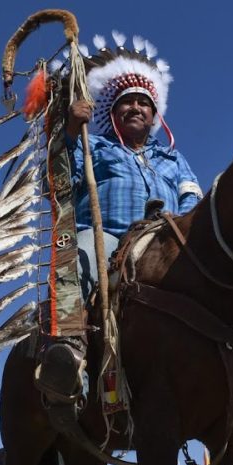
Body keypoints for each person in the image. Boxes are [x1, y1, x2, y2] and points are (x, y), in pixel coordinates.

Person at [35, 37, 203, 401]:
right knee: (77, 256)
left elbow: (193, 197)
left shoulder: (173, 159)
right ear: (111, 111)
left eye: (144, 102)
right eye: (126, 101)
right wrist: (66, 132)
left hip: (166, 239)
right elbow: (55, 186)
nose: (135, 107)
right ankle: (67, 352)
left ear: (154, 114)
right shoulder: (90, 144)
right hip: (106, 237)